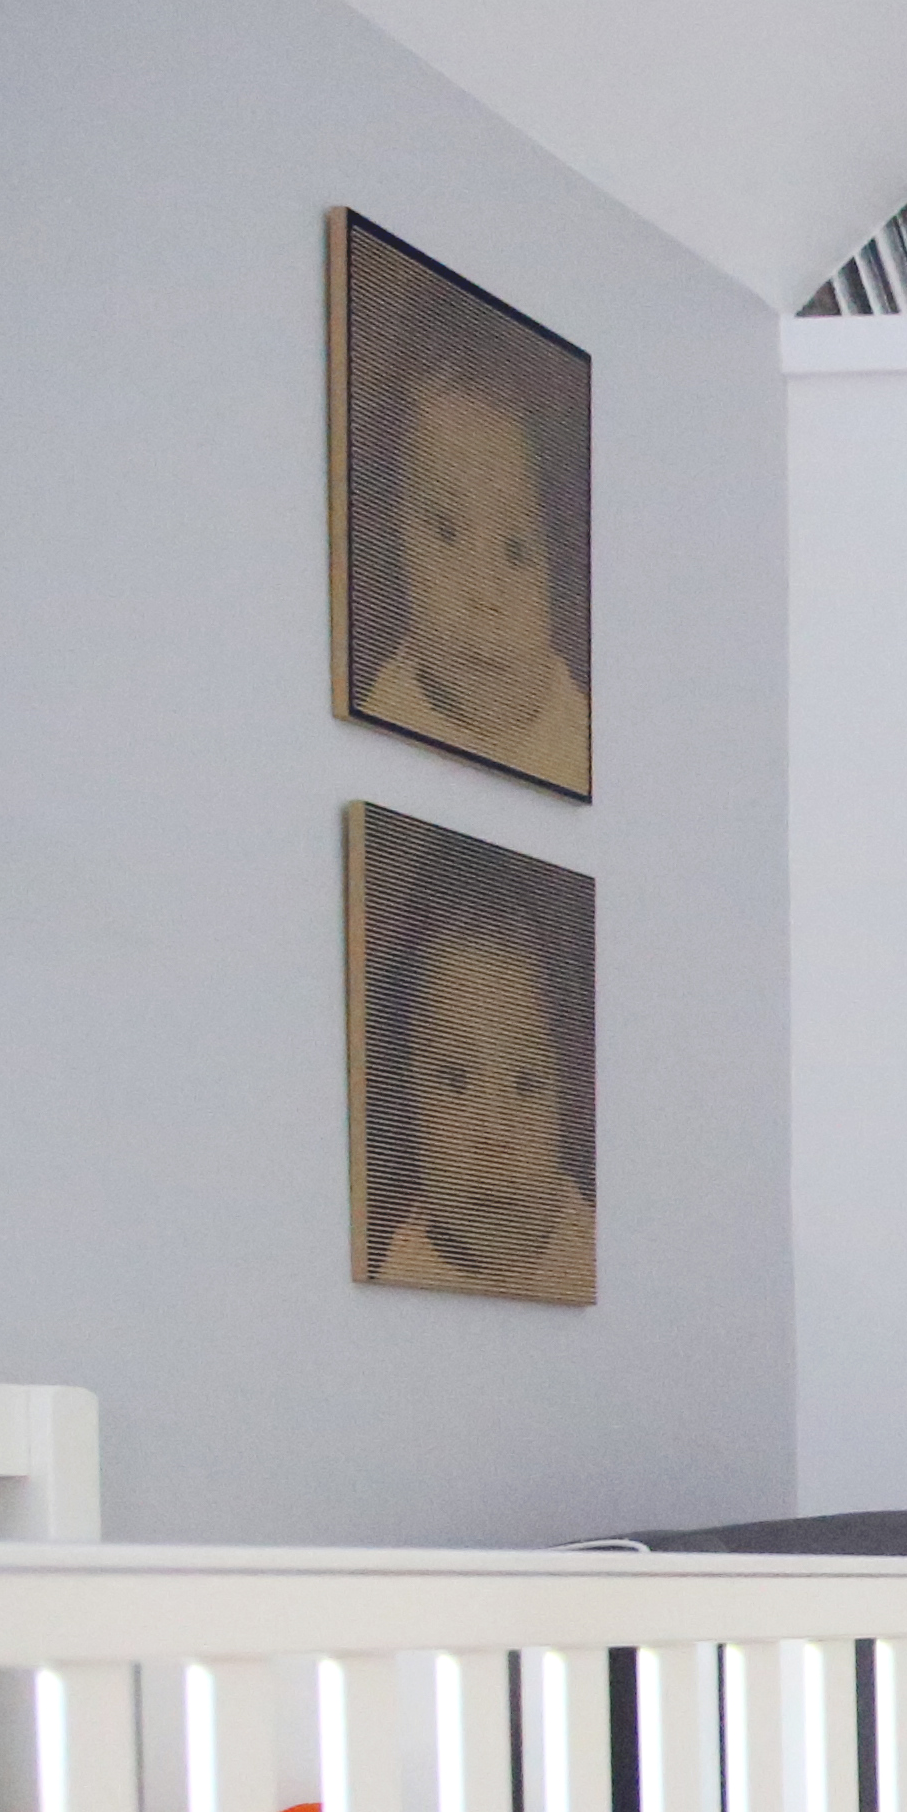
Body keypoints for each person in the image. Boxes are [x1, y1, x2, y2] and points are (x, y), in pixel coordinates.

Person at [363, 354, 588, 788]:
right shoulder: (382, 733)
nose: (483, 594)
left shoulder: (583, 740)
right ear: (393, 525)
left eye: (517, 551)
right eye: (446, 533)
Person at [367, 894, 593, 1303]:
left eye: (527, 1084)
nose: (494, 1133)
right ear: (407, 1095)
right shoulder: (396, 1274)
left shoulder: (591, 1257)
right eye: (455, 1082)